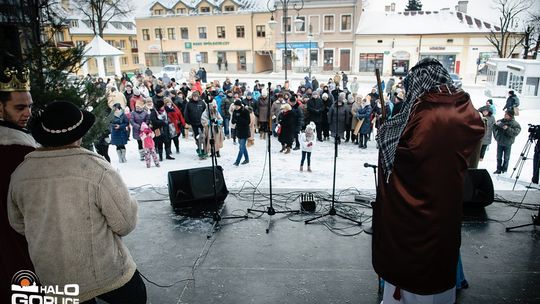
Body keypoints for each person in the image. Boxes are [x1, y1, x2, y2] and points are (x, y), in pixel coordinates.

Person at [7, 101, 146, 304]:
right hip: (106, 274)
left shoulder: (21, 174)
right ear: (79, 134)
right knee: (135, 296)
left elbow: (18, 223)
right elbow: (125, 224)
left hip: (55, 279)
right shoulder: (97, 169)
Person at [373, 58, 484, 304]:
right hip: (448, 200)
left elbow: (406, 152)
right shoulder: (464, 105)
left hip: (416, 208)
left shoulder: (424, 110)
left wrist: (385, 133)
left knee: (414, 261)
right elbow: (476, 130)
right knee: (440, 255)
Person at [0, 67, 37, 303]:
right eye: (20, 107)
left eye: (30, 106)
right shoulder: (19, 153)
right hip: (16, 240)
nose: (28, 113)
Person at [493, 109, 521, 174]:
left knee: (506, 157)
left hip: (508, 143)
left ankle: (504, 169)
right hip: (500, 141)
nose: (505, 115)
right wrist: (495, 125)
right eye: (505, 114)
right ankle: (498, 169)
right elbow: (494, 128)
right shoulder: (500, 121)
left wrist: (507, 128)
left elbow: (515, 133)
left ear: (510, 116)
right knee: (498, 156)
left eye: (506, 115)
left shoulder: (515, 124)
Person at [183, 91, 207, 158]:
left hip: (202, 122)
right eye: (194, 96)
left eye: (196, 96)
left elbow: (205, 111)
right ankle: (199, 147)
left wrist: (205, 120)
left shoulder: (202, 103)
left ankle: (204, 149)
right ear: (192, 97)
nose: (195, 98)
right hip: (194, 123)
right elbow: (186, 113)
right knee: (197, 136)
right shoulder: (189, 104)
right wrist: (188, 121)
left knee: (203, 136)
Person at [231, 100, 250, 165]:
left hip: (244, 131)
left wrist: (239, 119)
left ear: (240, 105)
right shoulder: (235, 111)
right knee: (243, 146)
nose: (236, 107)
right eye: (235, 105)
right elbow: (233, 121)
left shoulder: (245, 111)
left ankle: (237, 161)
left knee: (241, 147)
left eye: (237, 106)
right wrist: (234, 120)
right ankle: (247, 159)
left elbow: (248, 122)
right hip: (238, 131)